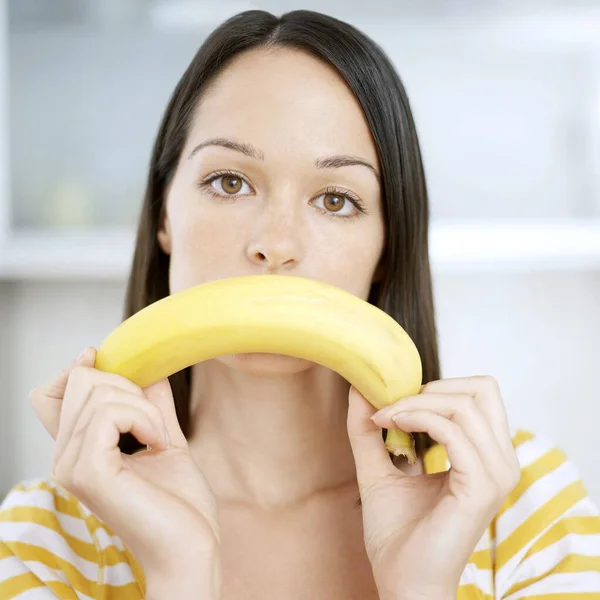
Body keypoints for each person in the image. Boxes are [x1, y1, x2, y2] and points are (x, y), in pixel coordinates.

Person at [1, 8, 599, 600]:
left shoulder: (516, 504)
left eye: (336, 200)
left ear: (388, 244)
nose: (276, 246)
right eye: (229, 182)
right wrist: (179, 571)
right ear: (163, 214)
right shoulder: (46, 540)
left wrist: (424, 586)